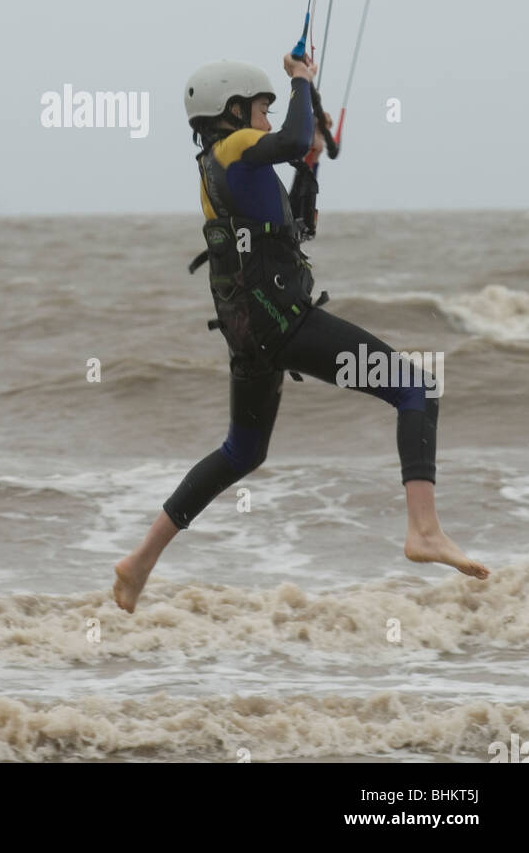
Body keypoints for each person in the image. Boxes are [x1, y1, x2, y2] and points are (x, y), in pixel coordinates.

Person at [113, 53, 489, 614]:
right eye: (260, 109)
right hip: (287, 324)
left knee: (242, 451)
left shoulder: (222, 168)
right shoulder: (235, 147)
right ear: (233, 110)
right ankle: (425, 530)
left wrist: (310, 156)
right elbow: (285, 138)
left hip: (252, 338)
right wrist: (301, 84)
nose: (266, 120)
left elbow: (290, 221)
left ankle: (139, 560)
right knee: (416, 390)